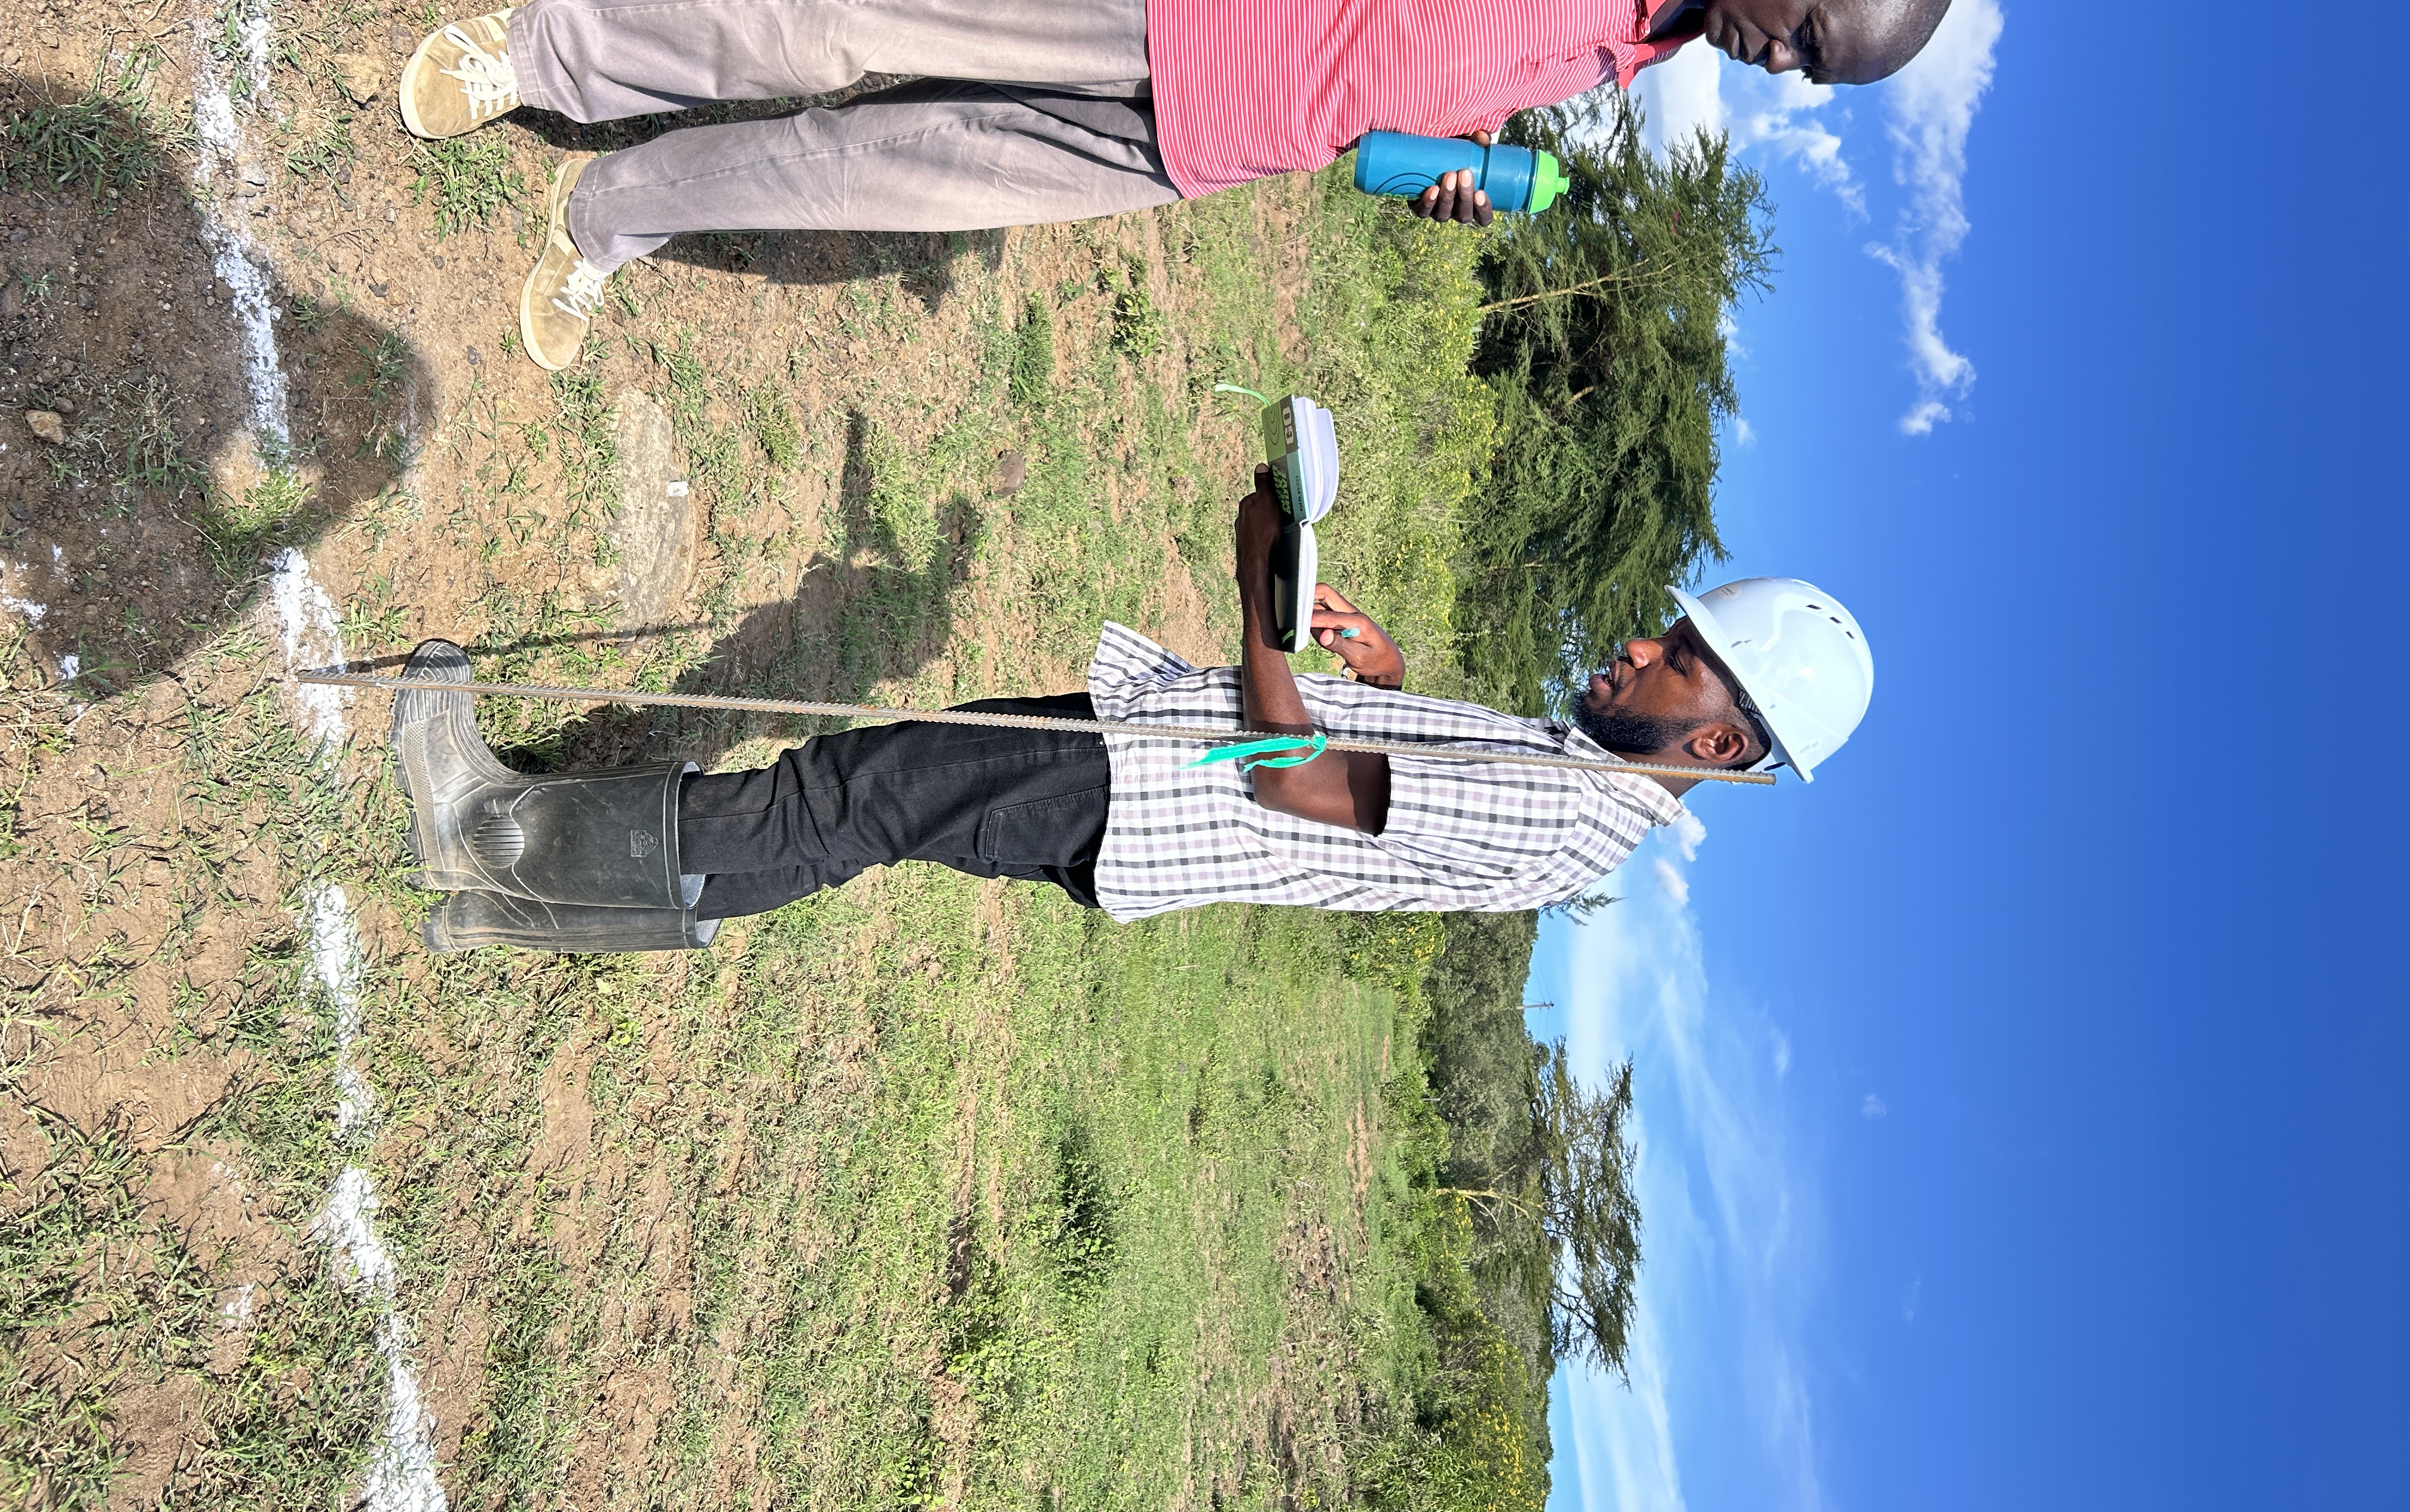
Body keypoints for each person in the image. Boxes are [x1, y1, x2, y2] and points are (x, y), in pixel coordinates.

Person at [396, 0, 1959, 369]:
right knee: (842, 24)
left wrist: (1448, 169)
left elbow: (1414, 79)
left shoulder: (1646, 51)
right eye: (1811, 37)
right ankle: (538, 51)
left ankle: (614, 213)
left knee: (866, 179)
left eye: (1813, 81)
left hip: (1197, 148)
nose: (1782, 66)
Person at [389, 469, 1875, 952]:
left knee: (840, 803)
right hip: (1139, 778)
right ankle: (535, 901)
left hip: (1145, 788)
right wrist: (1392, 674)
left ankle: (496, 840)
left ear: (1723, 744)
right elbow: (1390, 782)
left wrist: (1259, 591)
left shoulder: (1571, 804)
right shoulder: (1579, 784)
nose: (1636, 646)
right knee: (862, 804)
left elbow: (1293, 781)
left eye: (1675, 658)